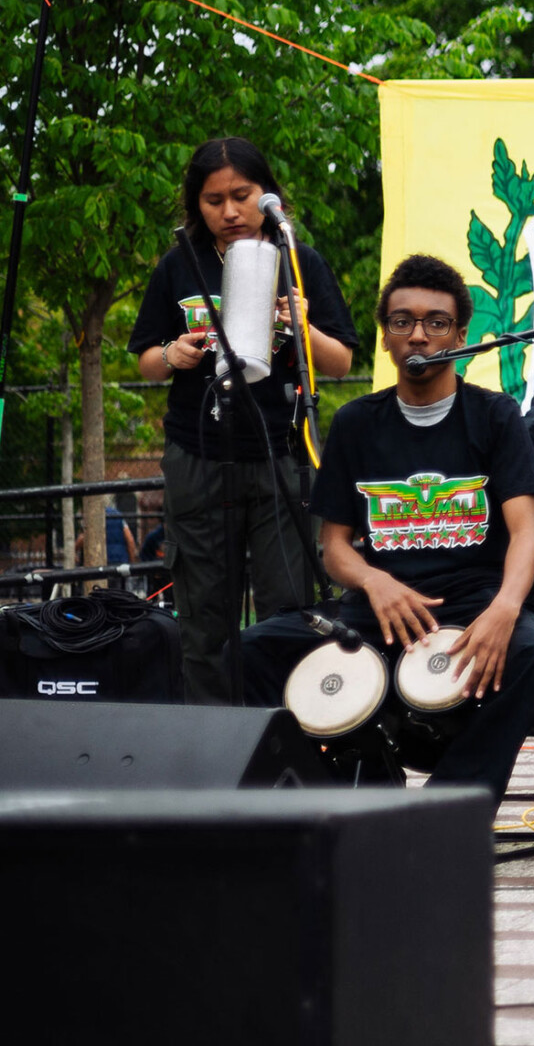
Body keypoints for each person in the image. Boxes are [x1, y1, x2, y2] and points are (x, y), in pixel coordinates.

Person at [237, 254, 534, 800]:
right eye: (402, 322)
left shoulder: (495, 416)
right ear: (385, 337)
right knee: (249, 651)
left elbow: (526, 530)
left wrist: (505, 609)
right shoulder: (356, 422)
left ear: (461, 334)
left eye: (436, 322)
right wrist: (374, 581)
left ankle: (448, 811)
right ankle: (332, 796)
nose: (418, 335)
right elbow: (334, 547)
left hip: (469, 608)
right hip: (374, 614)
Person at [131, 137, 358, 703]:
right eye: (213, 200)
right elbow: (145, 361)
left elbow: (341, 361)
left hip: (281, 453)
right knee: (205, 614)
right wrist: (171, 355)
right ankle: (214, 750)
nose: (229, 211)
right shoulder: (178, 264)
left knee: (291, 610)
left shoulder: (299, 260)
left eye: (242, 195)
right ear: (196, 203)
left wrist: (304, 328)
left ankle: (291, 736)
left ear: (267, 195)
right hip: (198, 455)